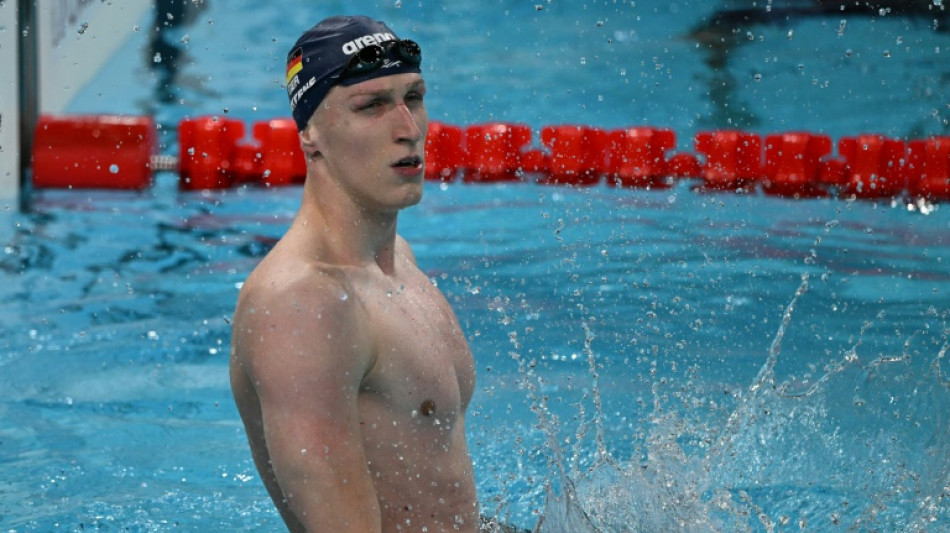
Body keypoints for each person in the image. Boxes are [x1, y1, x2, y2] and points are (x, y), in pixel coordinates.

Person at [230, 15, 485, 533]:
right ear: (311, 134)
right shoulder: (302, 304)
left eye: (413, 98)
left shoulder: (398, 261)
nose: (408, 130)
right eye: (371, 106)